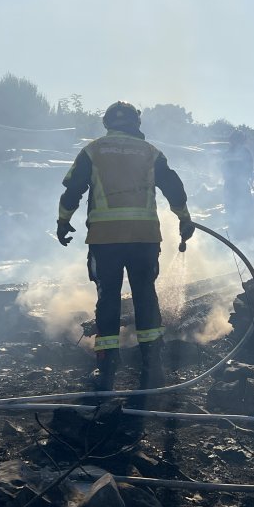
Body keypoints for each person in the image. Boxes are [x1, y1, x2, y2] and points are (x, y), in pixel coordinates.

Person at [56, 101, 195, 391]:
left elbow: (73, 191)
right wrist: (184, 219)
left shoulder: (93, 150)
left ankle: (107, 368)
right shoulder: (150, 152)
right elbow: (174, 188)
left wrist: (63, 221)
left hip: (105, 239)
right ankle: (151, 364)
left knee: (107, 297)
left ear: (108, 123)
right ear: (136, 124)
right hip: (144, 238)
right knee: (146, 295)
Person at [221, 129, 254, 235]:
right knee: (241, 210)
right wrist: (250, 175)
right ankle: (240, 233)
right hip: (239, 187)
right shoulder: (245, 152)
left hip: (231, 187)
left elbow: (223, 169)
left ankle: (237, 232)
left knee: (234, 211)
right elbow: (249, 169)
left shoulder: (227, 153)